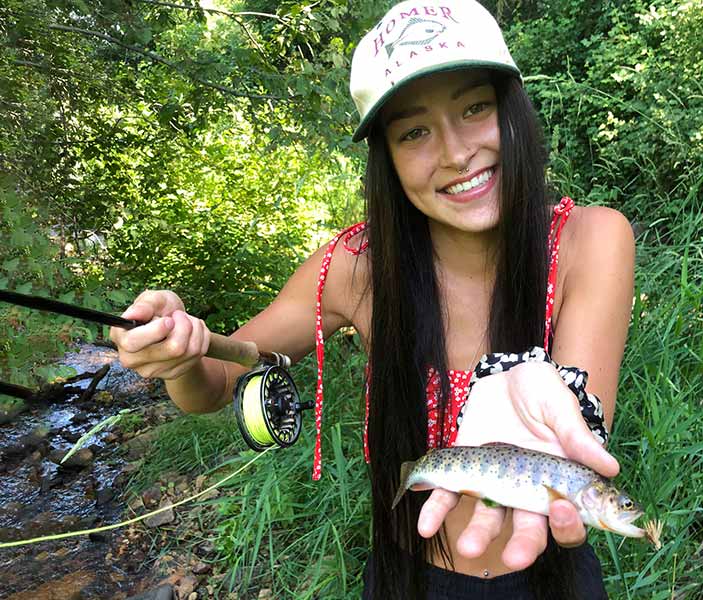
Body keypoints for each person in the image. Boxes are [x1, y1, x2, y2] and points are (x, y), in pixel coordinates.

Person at [110, 1, 635, 598]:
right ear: (384, 157)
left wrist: (532, 386)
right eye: (414, 132)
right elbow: (212, 383)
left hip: (552, 578)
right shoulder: (353, 269)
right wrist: (178, 356)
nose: (456, 152)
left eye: (475, 108)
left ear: (511, 112)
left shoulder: (591, 240)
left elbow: (581, 413)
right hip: (405, 578)